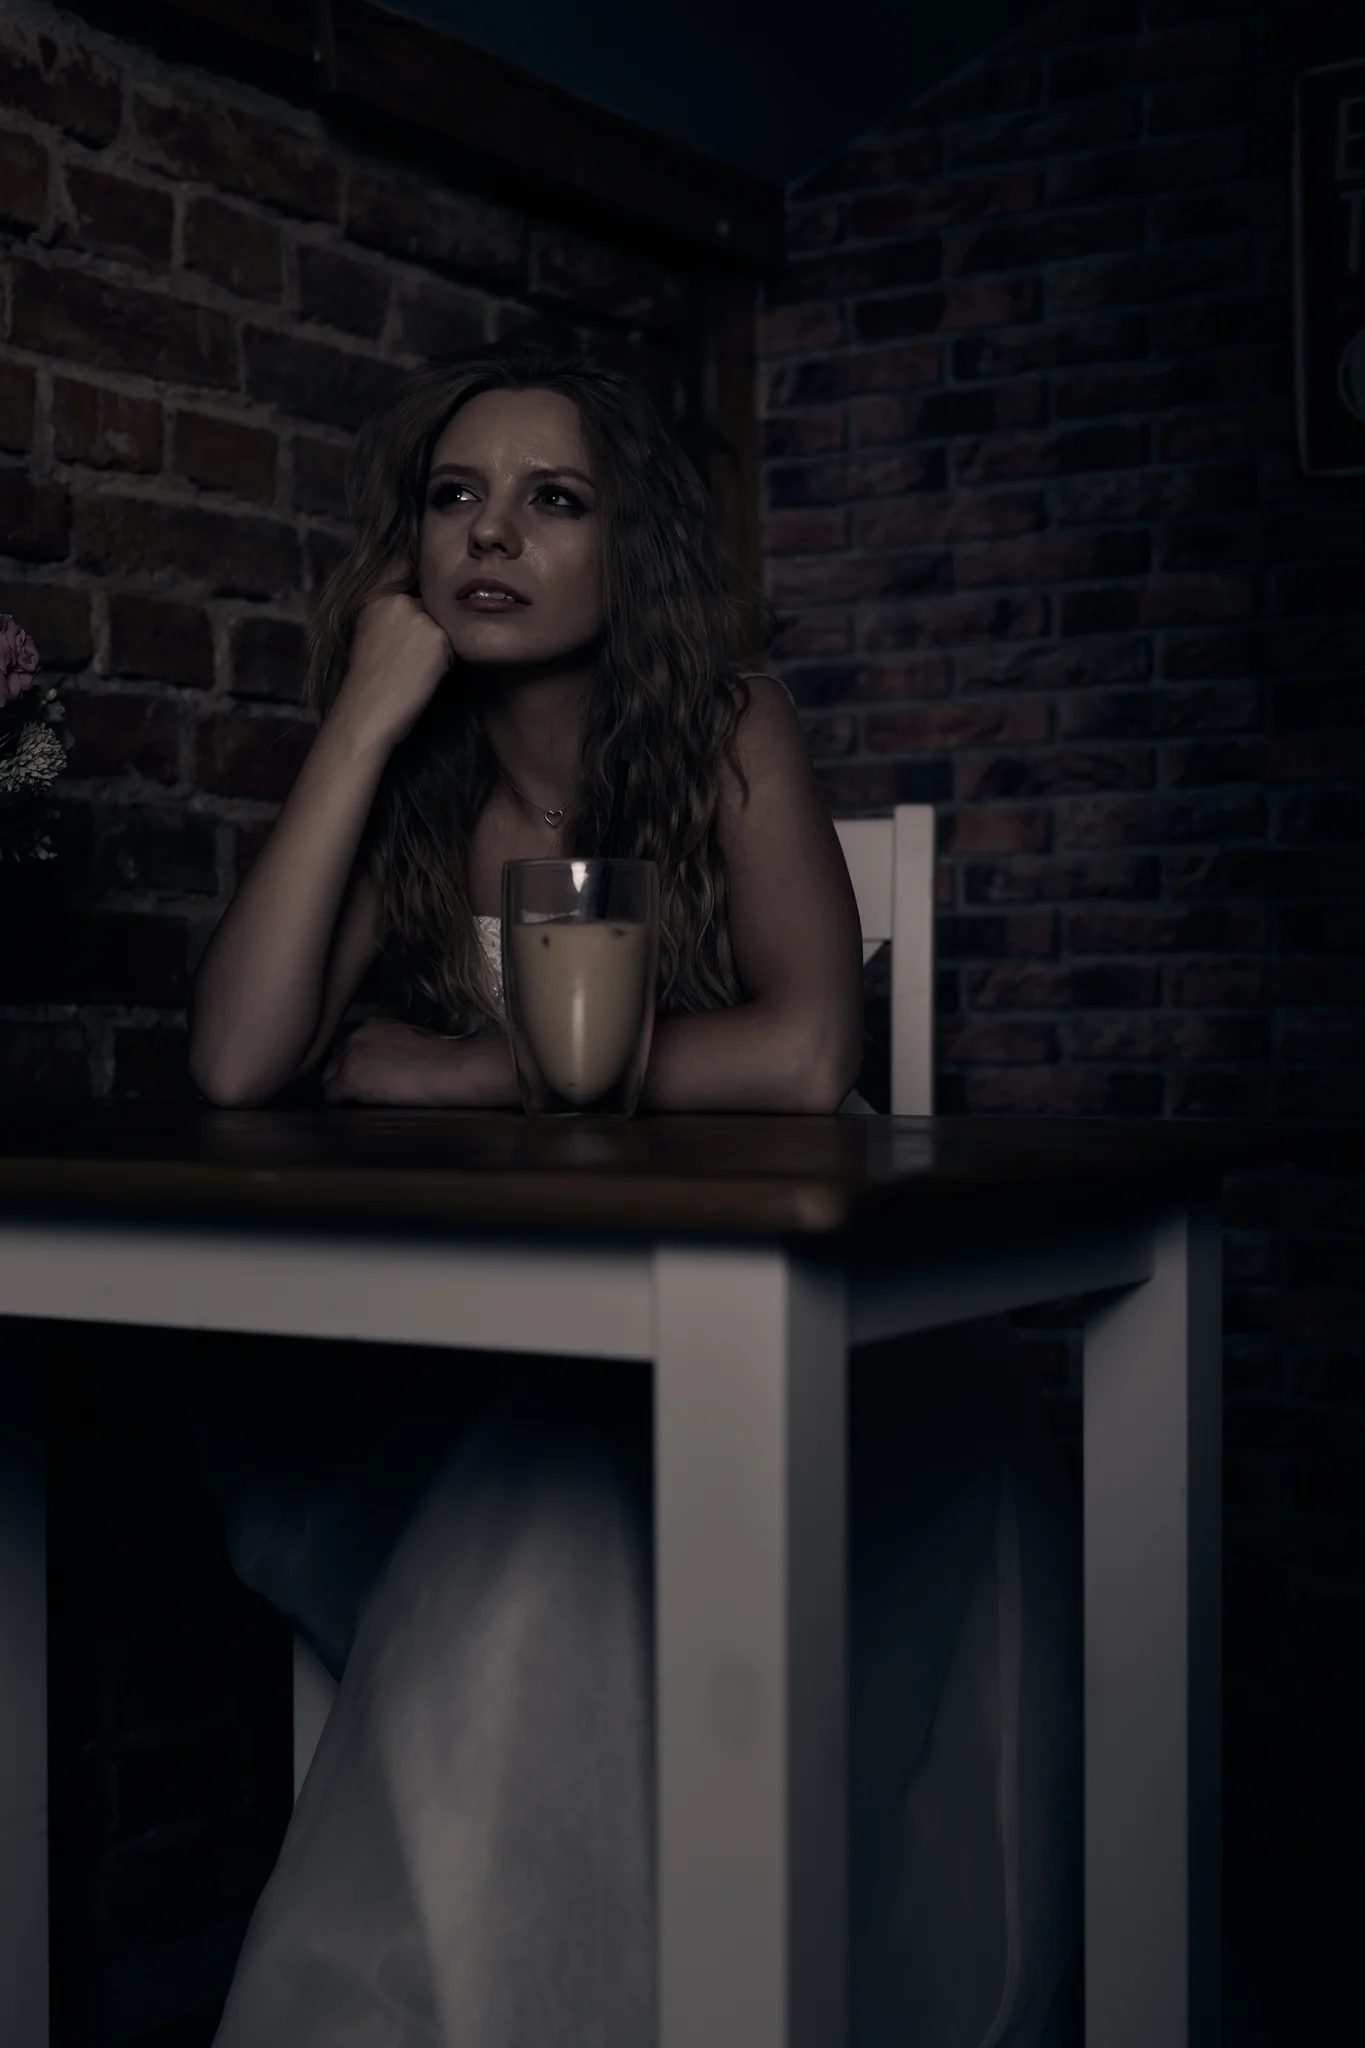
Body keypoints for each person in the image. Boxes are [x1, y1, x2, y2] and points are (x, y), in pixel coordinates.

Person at [186, 338, 1083, 2047]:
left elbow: (810, 1051)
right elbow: (237, 1062)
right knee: (545, 1509)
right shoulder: (422, 786)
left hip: (783, 1337)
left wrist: (468, 1069)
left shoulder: (728, 729)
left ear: (627, 546)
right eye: (457, 500)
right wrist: (366, 721)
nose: (492, 538)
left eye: (553, 501)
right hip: (481, 1359)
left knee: (843, 1487)